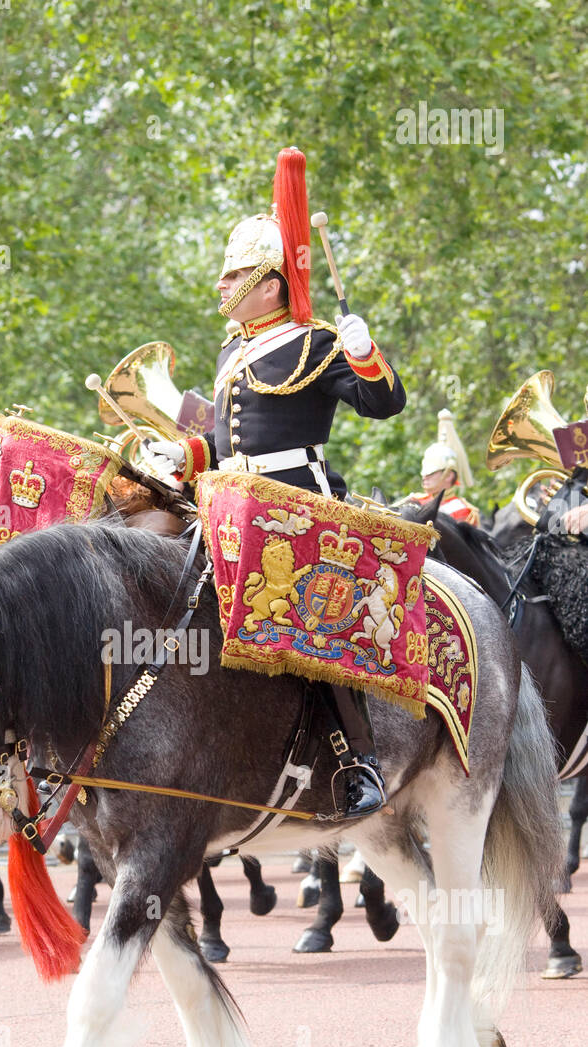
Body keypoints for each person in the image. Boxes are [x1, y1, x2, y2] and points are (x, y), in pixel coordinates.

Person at [144, 147, 406, 817]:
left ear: (267, 281)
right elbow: (228, 439)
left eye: (231, 275)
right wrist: (180, 457)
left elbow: (383, 406)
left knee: (314, 624)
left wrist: (365, 353)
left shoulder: (317, 340)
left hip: (296, 504)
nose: (219, 285)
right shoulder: (234, 347)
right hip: (230, 502)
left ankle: (358, 760)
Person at [406, 409, 479, 524]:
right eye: (424, 473)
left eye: (430, 473)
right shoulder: (414, 501)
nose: (424, 477)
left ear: (449, 475)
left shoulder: (462, 510)